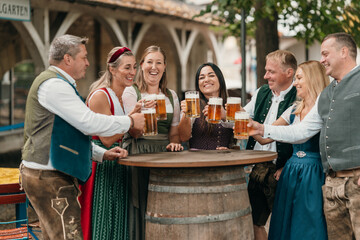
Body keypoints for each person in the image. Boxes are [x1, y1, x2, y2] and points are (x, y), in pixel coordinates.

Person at [19, 35, 144, 240]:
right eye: (83, 57)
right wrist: (129, 121)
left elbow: (67, 134)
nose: (87, 62)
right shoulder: (54, 85)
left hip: (46, 174)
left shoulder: (59, 84)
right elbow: (89, 123)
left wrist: (102, 154)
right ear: (68, 59)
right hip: (49, 177)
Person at [249, 32, 360, 240]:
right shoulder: (327, 94)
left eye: (326, 53)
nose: (322, 59)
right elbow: (301, 132)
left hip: (355, 179)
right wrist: (261, 129)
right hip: (332, 182)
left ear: (344, 52)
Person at [253, 61, 329, 239]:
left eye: (299, 78)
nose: (295, 83)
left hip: (314, 173)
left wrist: (260, 127)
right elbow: (265, 138)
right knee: (286, 223)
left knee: (309, 225)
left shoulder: (322, 108)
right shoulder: (294, 108)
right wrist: (242, 124)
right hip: (291, 172)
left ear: (313, 79)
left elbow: (298, 134)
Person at [121, 45, 183, 240]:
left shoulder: (171, 96)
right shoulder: (132, 93)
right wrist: (140, 112)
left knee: (163, 204)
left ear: (164, 67)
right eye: (149, 62)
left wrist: (174, 143)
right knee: (140, 203)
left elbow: (174, 133)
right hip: (140, 151)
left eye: (158, 62)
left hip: (164, 154)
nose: (153, 67)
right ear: (141, 65)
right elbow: (131, 131)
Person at [79, 47, 140, 240]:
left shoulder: (123, 97)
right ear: (112, 69)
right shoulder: (100, 95)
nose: (132, 72)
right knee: (103, 219)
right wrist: (132, 118)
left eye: (134, 67)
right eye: (127, 67)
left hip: (118, 161)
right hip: (102, 165)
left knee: (118, 221)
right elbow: (106, 138)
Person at [244, 50, 297, 240]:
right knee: (254, 221)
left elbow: (269, 135)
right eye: (266, 71)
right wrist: (228, 115)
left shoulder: (299, 97)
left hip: (281, 169)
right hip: (258, 168)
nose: (266, 76)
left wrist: (287, 165)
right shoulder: (262, 91)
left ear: (289, 72)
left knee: (284, 224)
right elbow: (243, 114)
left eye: (271, 71)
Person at [178, 62, 233, 149]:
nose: (206, 80)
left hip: (224, 159)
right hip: (198, 160)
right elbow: (183, 138)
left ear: (220, 79)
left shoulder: (231, 105)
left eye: (211, 75)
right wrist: (186, 115)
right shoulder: (193, 105)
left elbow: (243, 131)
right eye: (201, 78)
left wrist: (229, 150)